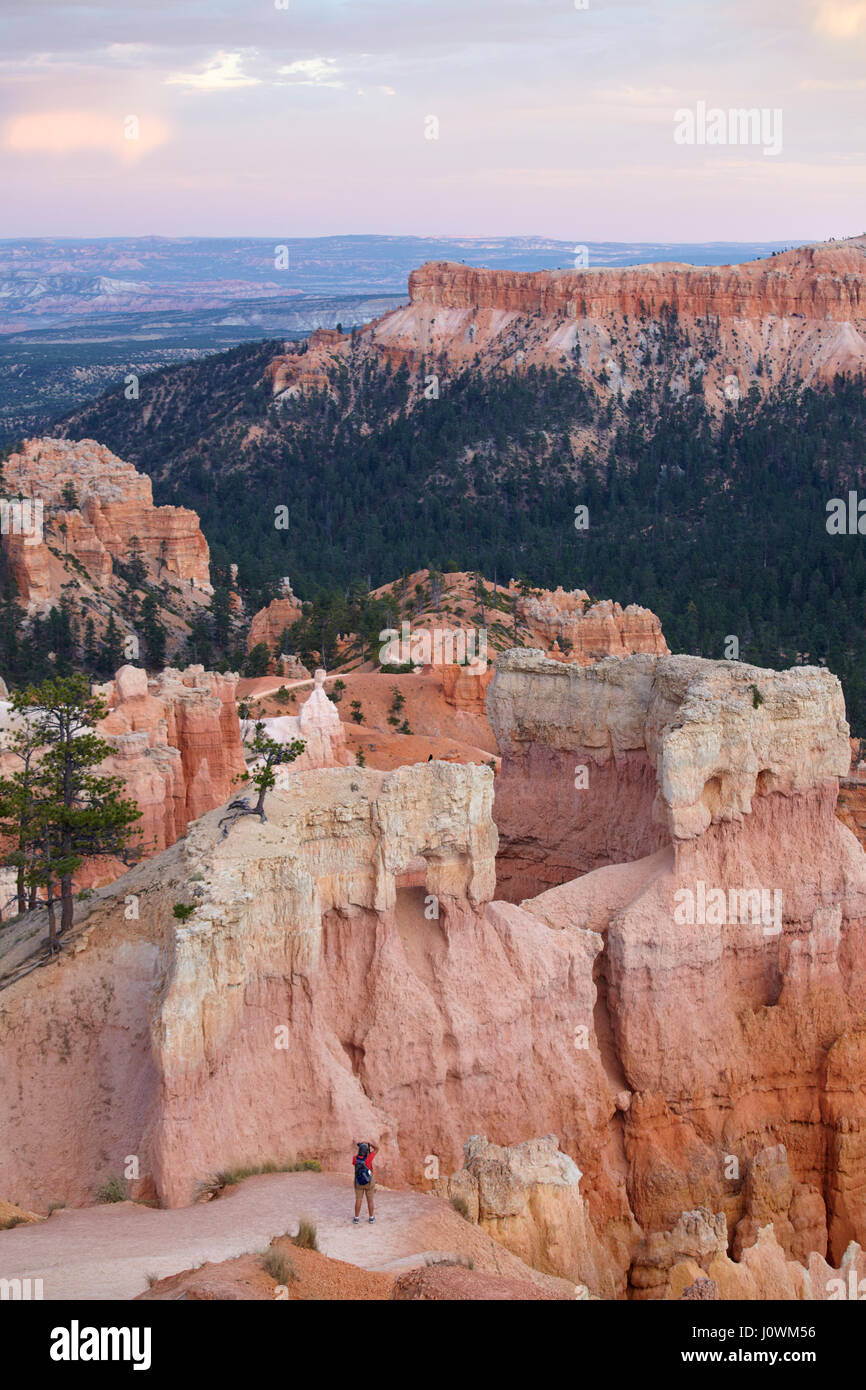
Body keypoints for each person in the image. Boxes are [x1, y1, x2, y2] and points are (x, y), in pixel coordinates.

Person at [352, 1140, 378, 1223]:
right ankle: (371, 1218)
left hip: (358, 1181)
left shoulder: (354, 1158)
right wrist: (368, 1143)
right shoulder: (369, 1157)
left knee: (358, 1200)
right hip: (369, 1181)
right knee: (370, 1200)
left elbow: (355, 1163)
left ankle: (356, 1218)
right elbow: (377, 1149)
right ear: (366, 1151)